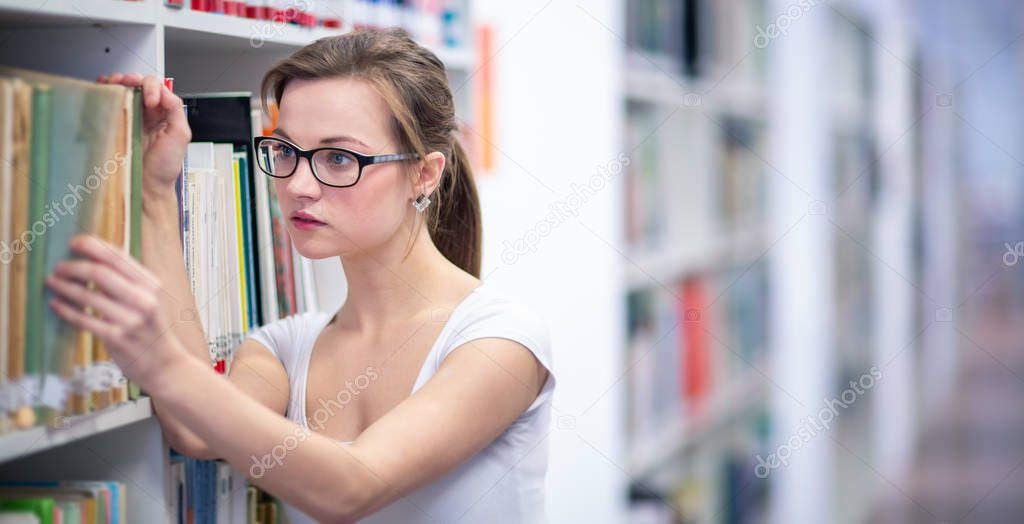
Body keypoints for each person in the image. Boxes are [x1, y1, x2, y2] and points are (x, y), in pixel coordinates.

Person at [45, 28, 555, 523]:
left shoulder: (499, 340)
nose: (298, 185)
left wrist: (160, 363)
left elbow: (351, 489)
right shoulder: (286, 347)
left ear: (423, 174)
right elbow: (195, 431)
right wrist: (157, 191)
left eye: (338, 158)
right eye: (286, 151)